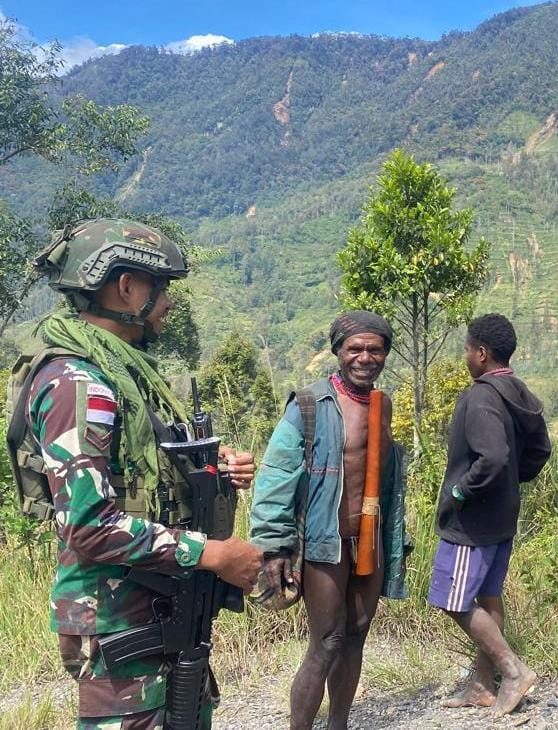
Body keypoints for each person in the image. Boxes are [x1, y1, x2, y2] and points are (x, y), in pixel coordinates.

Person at [9, 218, 263, 728]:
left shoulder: (120, 375)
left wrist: (208, 471)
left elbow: (137, 472)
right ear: (126, 288)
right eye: (160, 286)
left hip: (153, 601)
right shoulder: (81, 385)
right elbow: (89, 524)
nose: (168, 301)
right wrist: (213, 554)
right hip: (116, 614)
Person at [250, 310, 410, 730]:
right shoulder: (310, 404)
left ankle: (339, 724)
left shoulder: (382, 404)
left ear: (386, 354)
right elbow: (276, 477)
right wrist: (274, 546)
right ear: (338, 351)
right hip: (326, 542)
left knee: (356, 635)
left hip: (369, 541)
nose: (365, 357)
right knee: (327, 641)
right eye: (355, 348)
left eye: (375, 349)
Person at [430, 313, 551, 716]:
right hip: (503, 513)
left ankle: (512, 670)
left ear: (481, 353)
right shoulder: (520, 392)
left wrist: (462, 491)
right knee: (487, 593)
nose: (465, 356)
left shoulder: (482, 395)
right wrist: (511, 482)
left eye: (466, 349)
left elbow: (493, 456)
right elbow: (539, 451)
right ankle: (482, 685)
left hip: (473, 520)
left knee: (452, 597)